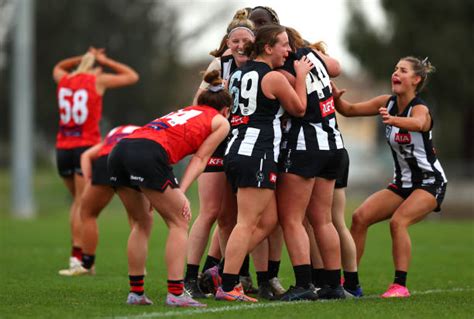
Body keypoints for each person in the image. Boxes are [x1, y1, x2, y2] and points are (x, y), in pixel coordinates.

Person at [107, 70, 231, 306]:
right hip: (147, 154)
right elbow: (200, 159)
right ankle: (175, 293)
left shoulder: (186, 111)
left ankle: (136, 293)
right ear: (226, 109)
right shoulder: (221, 121)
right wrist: (181, 191)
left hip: (120, 150)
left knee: (142, 223)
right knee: (179, 221)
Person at [332, 56, 447, 298]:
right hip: (402, 183)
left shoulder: (420, 108)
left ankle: (399, 286)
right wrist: (334, 97)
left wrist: (394, 120)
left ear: (416, 79)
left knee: (398, 222)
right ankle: (348, 281)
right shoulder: (387, 102)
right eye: (395, 69)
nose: (396, 73)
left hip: (429, 183)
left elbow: (418, 123)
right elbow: (349, 110)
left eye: (403, 70)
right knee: (360, 217)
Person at [215, 24, 313, 302]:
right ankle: (229, 284)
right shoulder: (273, 78)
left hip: (238, 150)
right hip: (256, 153)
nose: (289, 51)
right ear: (268, 48)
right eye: (283, 44)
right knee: (245, 223)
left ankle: (223, 271)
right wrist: (301, 77)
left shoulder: (236, 74)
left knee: (268, 221)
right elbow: (300, 109)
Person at [185, 9, 256, 299]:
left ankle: (231, 277)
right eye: (235, 41)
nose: (240, 46)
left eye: (246, 41)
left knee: (232, 219)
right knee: (210, 212)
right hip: (217, 142)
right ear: (228, 42)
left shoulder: (261, 65)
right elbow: (196, 105)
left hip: (245, 146)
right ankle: (188, 278)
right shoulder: (220, 64)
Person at [276, 27, 347, 300]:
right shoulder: (311, 54)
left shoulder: (284, 68)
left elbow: (298, 107)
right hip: (334, 145)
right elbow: (336, 66)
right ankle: (333, 285)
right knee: (323, 220)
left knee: (291, 218)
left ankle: (304, 284)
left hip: (306, 145)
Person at [54, 48, 139, 275]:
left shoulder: (64, 78)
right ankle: (79, 258)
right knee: (84, 206)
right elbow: (132, 76)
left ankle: (77, 257)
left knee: (78, 204)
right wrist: (105, 60)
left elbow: (59, 66)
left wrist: (82, 57)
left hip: (62, 148)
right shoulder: (96, 80)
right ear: (92, 66)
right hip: (86, 146)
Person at [58, 124, 141, 276]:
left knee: (87, 213)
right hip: (131, 161)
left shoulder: (113, 134)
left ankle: (87, 265)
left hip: (107, 161)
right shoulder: (145, 132)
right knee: (138, 220)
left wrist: (91, 180)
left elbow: (85, 156)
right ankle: (139, 268)